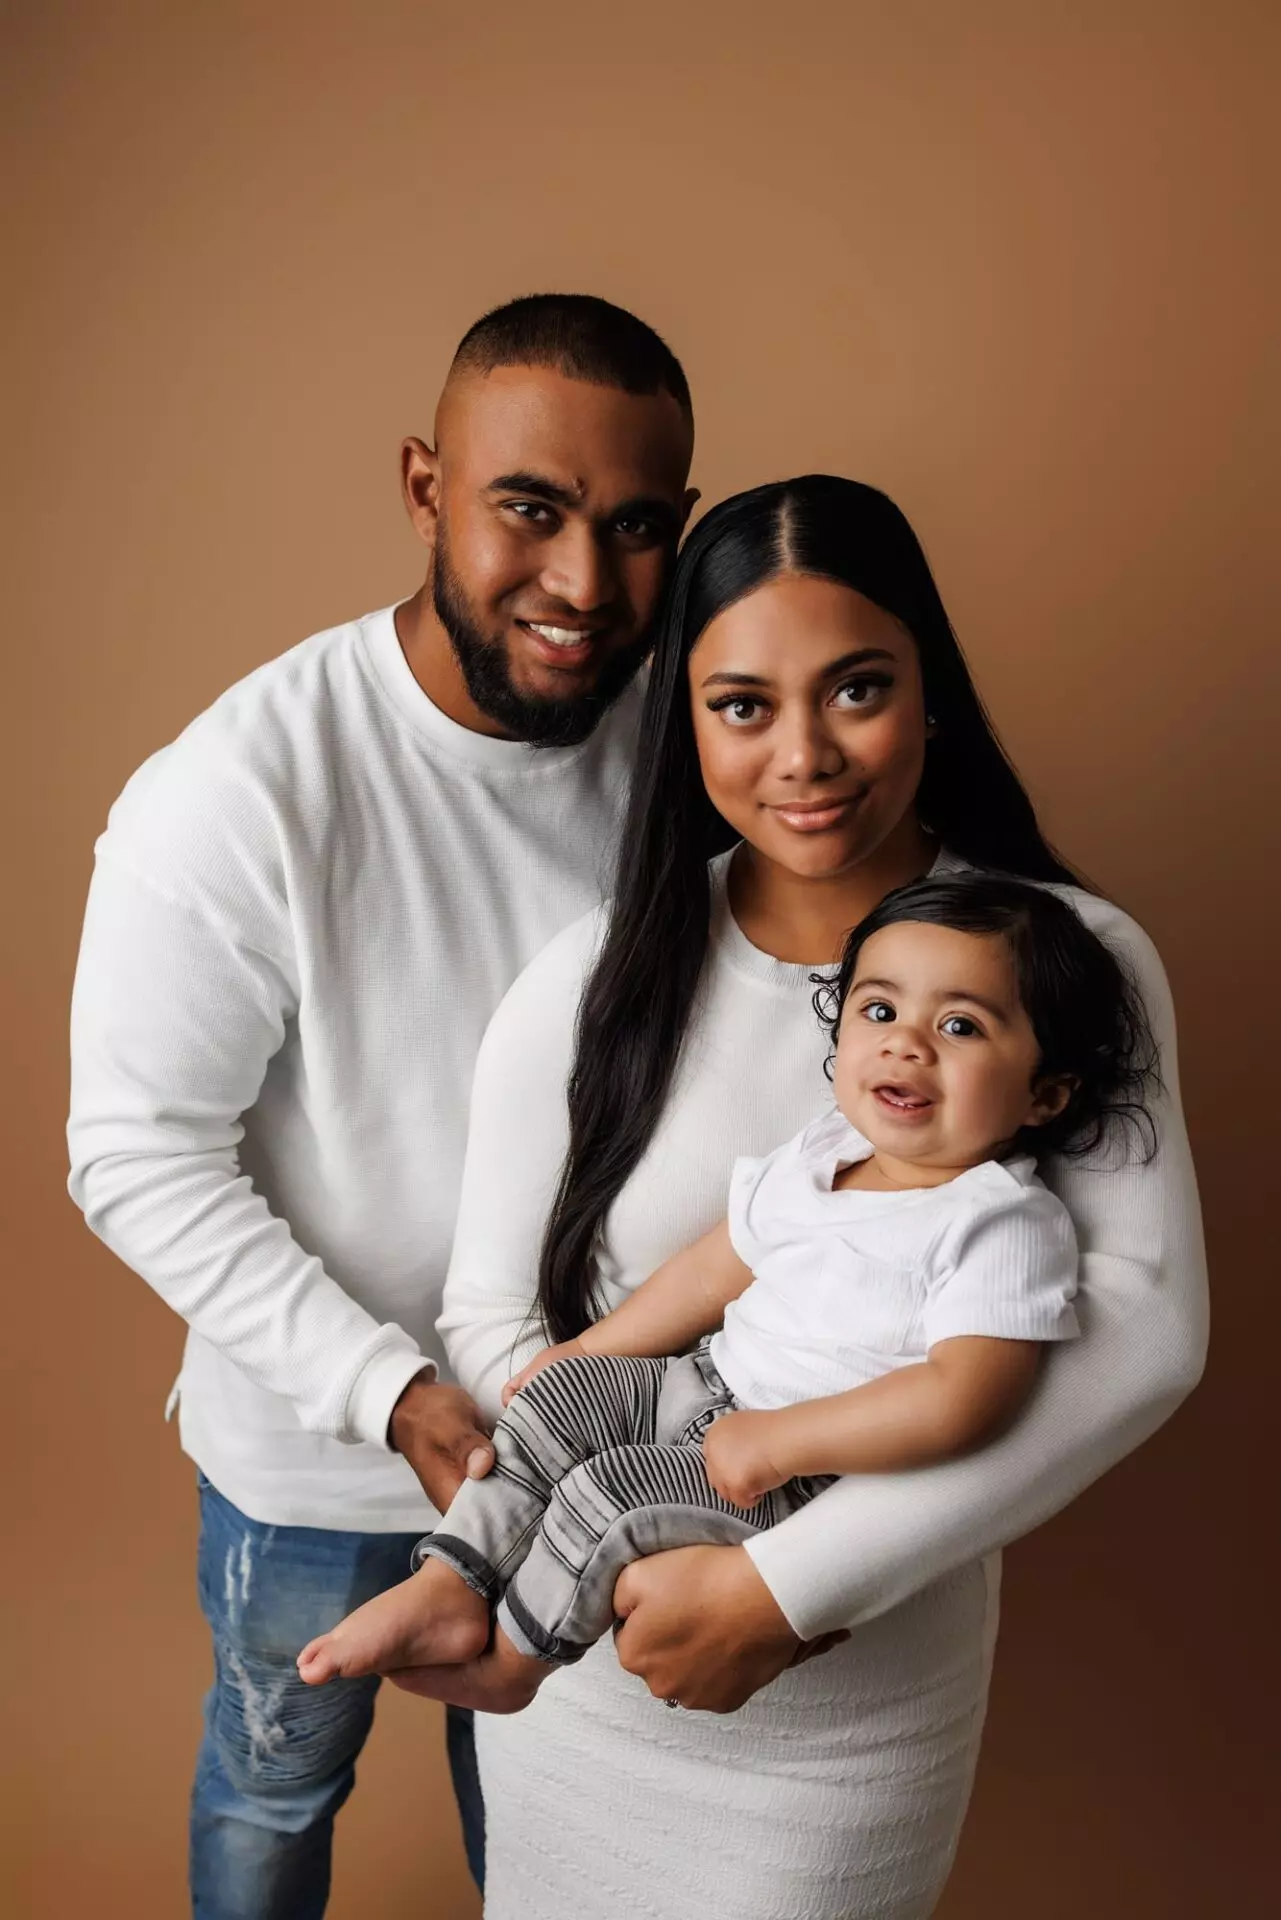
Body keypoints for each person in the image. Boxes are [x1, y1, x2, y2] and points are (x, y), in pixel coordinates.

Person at [363, 476, 1207, 1920]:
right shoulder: (593, 977)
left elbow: (1142, 1337)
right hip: (576, 1673)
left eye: (857, 689)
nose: (804, 755)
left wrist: (787, 1586)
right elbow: (495, 1314)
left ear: (929, 694)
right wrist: (605, 1536)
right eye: (742, 705)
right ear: (686, 726)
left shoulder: (1065, 961)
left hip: (846, 1706)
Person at [65, 293, 698, 1919]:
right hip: (321, 1465)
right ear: (425, 487)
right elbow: (134, 1155)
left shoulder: (696, 745)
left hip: (594, 1444)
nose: (582, 582)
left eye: (634, 527)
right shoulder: (240, 790)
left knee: (559, 1833)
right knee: (272, 1796)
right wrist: (395, 1396)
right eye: (528, 509)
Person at [297, 871, 1161, 1689]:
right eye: (879, 1009)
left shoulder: (999, 1221)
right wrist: (590, 1352)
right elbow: (715, 1267)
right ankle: (451, 1585)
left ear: (1044, 1096)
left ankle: (512, 1663)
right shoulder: (828, 1148)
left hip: (796, 1474)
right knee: (561, 1399)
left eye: (961, 1027)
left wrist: (783, 1442)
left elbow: (965, 1398)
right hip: (701, 1383)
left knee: (608, 1494)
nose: (905, 1042)